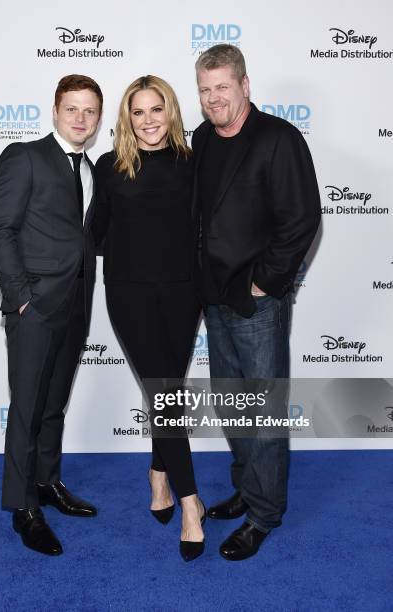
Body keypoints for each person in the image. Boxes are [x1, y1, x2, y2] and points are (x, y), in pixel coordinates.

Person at [192, 44, 321, 560]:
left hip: (256, 301)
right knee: (232, 404)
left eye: (222, 86)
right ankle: (246, 490)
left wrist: (264, 283)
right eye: (205, 90)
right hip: (214, 297)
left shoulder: (278, 138)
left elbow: (302, 218)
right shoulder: (202, 138)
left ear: (245, 86)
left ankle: (265, 513)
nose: (213, 98)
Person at [0, 74, 103, 556]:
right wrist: (20, 299)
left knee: (54, 403)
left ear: (98, 117)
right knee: (28, 407)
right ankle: (22, 506)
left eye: (90, 111)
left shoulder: (91, 169)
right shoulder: (24, 156)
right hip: (35, 307)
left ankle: (48, 482)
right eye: (71, 108)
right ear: (55, 111)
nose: (80, 118)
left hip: (77, 303)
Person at [93, 75, 205, 561]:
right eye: (137, 112)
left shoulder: (193, 162)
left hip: (184, 294)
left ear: (171, 111)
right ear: (126, 118)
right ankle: (189, 501)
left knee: (168, 390)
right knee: (164, 392)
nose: (148, 120)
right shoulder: (109, 167)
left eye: (156, 109)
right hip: (130, 295)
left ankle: (158, 473)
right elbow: (93, 233)